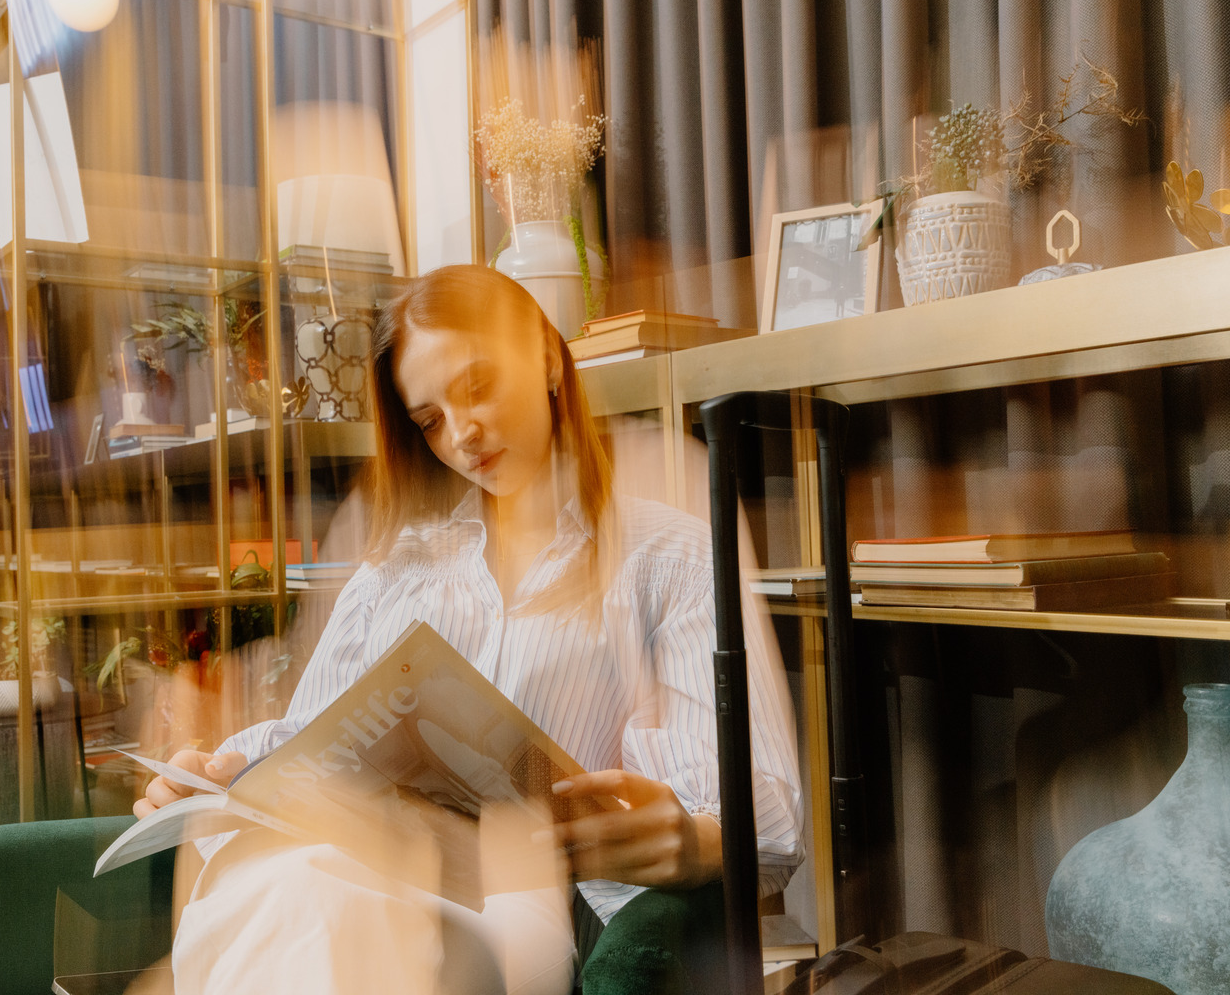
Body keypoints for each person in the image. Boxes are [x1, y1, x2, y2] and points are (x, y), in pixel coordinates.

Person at [135, 264, 803, 995]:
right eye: (429, 420)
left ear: (547, 359)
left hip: (507, 904)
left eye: (478, 385)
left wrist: (697, 840)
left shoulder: (669, 558)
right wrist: (211, 774)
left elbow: (766, 814)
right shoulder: (396, 570)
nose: (462, 435)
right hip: (348, 863)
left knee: (311, 902)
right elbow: (313, 738)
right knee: (289, 882)